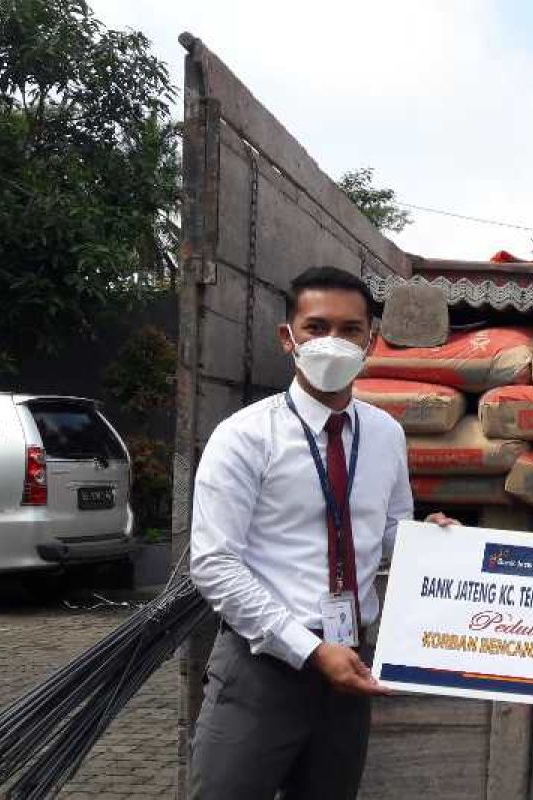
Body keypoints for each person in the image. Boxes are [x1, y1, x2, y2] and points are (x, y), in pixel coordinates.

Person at [188, 265, 454, 800]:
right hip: (262, 669)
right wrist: (307, 650)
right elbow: (214, 565)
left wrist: (434, 542)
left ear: (371, 341)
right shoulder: (243, 437)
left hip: (349, 664)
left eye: (351, 329)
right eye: (316, 327)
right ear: (288, 338)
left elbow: (388, 535)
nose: (333, 341)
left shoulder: (384, 434)